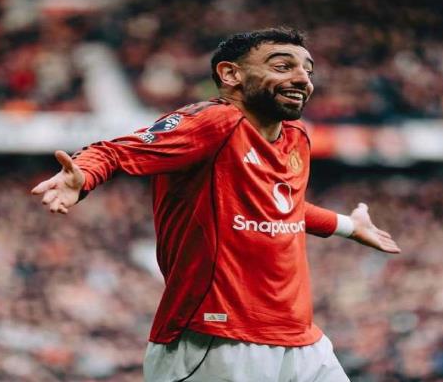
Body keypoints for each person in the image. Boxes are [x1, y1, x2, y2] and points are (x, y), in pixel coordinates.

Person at [32, 27, 400, 382]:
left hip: (301, 339)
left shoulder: (296, 135)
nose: (302, 78)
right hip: (215, 339)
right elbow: (115, 151)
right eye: (282, 66)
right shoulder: (212, 121)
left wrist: (349, 226)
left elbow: (279, 206)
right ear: (231, 74)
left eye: (308, 70)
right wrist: (82, 174)